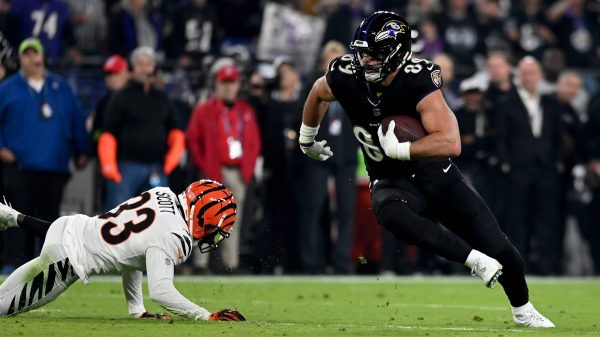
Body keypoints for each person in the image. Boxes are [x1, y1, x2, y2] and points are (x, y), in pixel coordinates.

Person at [299, 11, 554, 328]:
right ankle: (472, 259)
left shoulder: (418, 78)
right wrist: (307, 138)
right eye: (362, 52)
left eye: (375, 54)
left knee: (504, 251)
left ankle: (523, 308)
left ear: (397, 53)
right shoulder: (345, 74)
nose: (365, 61)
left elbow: (451, 141)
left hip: (436, 176)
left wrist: (405, 149)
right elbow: (317, 92)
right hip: (391, 179)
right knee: (388, 212)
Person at [0, 179, 245, 321]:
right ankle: (12, 217)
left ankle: (13, 217)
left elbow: (133, 253)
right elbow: (161, 292)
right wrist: (204, 315)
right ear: (204, 219)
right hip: (67, 260)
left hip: (71, 226)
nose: (215, 236)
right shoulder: (175, 236)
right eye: (216, 229)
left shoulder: (162, 193)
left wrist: (137, 310)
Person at [0, 38, 90, 273]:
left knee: (51, 221)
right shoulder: (7, 88)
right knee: (18, 218)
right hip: (19, 166)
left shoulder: (61, 87)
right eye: (27, 54)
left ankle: (50, 266)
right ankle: (16, 264)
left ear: (43, 57)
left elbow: (77, 120)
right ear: (20, 59)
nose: (33, 59)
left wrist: (83, 151)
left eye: (35, 53)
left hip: (53, 166)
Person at [186, 63, 261, 272]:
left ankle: (231, 263)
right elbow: (193, 140)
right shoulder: (205, 110)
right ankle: (201, 263)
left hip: (237, 171)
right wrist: (205, 166)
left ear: (238, 84)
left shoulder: (245, 111)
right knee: (206, 217)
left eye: (232, 82)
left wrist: (248, 168)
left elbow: (254, 142)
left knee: (232, 219)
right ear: (217, 84)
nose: (229, 87)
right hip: (214, 169)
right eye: (225, 83)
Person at [495, 57, 563, 275]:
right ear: (518, 76)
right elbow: (501, 137)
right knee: (517, 219)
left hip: (545, 169)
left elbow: (558, 137)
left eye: (533, 72)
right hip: (518, 170)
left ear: (540, 75)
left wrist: (556, 161)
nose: (529, 77)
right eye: (525, 72)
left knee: (545, 219)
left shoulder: (551, 104)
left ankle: (546, 266)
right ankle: (518, 265)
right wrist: (506, 162)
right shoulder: (507, 104)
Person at [98, 46, 185, 211]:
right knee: (116, 218)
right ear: (132, 69)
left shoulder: (163, 98)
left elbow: (176, 132)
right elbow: (108, 133)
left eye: (149, 64)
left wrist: (170, 162)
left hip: (156, 168)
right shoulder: (121, 96)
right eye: (140, 64)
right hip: (125, 167)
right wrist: (109, 165)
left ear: (154, 68)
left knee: (157, 218)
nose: (145, 69)